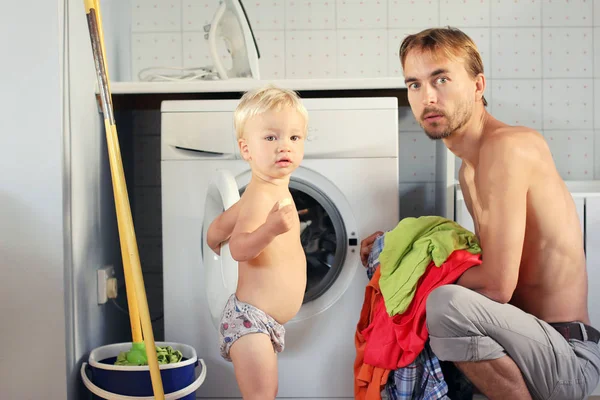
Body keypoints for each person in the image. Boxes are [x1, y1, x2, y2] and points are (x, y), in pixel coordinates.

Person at [360, 27, 600, 400]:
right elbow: (484, 274)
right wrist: (395, 249)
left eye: (441, 79)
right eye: (415, 85)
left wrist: (410, 268)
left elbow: (495, 286)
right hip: (520, 346)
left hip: (567, 355)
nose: (428, 97)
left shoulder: (507, 147)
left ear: (477, 85)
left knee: (445, 305)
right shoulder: (468, 171)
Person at [206, 84, 308, 400]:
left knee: (264, 393)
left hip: (263, 321)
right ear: (246, 149)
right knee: (262, 395)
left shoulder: (271, 189)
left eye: (294, 137)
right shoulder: (260, 196)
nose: (284, 146)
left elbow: (219, 229)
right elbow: (239, 248)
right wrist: (271, 230)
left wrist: (213, 238)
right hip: (249, 320)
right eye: (271, 137)